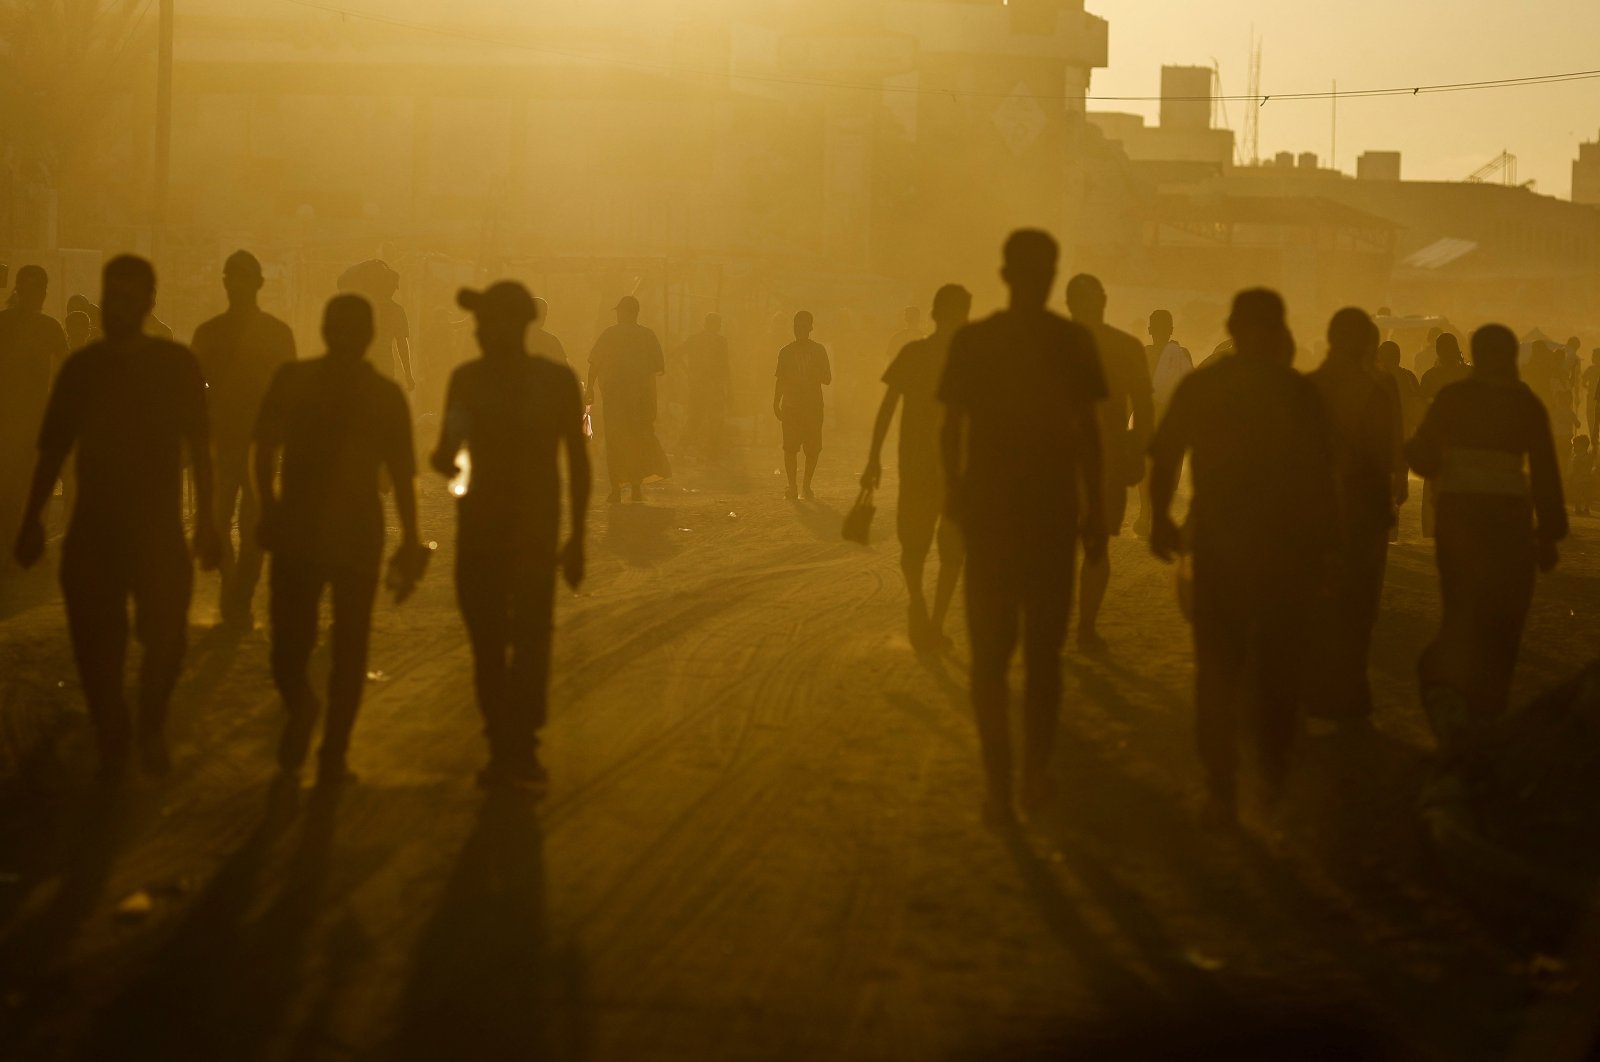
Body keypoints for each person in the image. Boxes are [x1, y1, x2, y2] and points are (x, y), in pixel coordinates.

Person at [13, 256, 220, 779]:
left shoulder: (176, 366)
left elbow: (200, 446)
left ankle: (148, 725)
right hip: (93, 532)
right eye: (112, 297)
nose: (118, 307)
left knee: (166, 638)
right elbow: (54, 450)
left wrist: (210, 522)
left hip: (157, 529)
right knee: (96, 644)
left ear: (148, 302)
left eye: (129, 298)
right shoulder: (83, 370)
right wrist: (32, 518)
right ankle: (113, 730)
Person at [1147, 289, 1337, 825]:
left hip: (1219, 545)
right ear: (1279, 334)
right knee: (1279, 667)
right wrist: (1328, 552)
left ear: (1232, 327)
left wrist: (1161, 517)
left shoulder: (1205, 386)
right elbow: (1323, 481)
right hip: (1285, 551)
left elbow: (1164, 454)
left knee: (1218, 667)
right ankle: (1270, 775)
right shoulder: (1297, 394)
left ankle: (1221, 783)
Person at [939, 231, 1107, 826]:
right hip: (1050, 515)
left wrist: (956, 495)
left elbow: (950, 430)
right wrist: (1094, 515)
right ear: (1052, 274)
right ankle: (1032, 772)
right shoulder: (1070, 341)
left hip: (992, 513)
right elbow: (1088, 434)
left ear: (1005, 272)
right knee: (1043, 656)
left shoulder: (976, 341)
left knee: (990, 656)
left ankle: (999, 786)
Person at [253, 294, 425, 786]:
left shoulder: (300, 381)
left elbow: (263, 451)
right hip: (334, 533)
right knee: (333, 647)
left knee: (300, 646)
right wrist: (410, 540)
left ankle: (325, 739)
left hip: (311, 532)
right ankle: (320, 731)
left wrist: (269, 508)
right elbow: (403, 475)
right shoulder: (375, 393)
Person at [431, 282, 590, 791]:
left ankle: (509, 744)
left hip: (491, 533)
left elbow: (446, 453)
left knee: (499, 642)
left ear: (512, 325)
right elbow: (579, 464)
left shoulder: (471, 382)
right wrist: (578, 535)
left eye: (485, 322)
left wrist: (580, 536)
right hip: (524, 533)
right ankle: (515, 744)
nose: (477, 330)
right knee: (519, 640)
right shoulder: (554, 382)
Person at [1406, 325, 1566, 750]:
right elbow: (1547, 474)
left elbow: (1420, 456)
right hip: (1510, 525)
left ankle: (1454, 699)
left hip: (1459, 520)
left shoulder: (1453, 399)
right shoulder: (1525, 403)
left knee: (1462, 609)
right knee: (1505, 616)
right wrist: (1550, 534)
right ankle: (1489, 709)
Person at [1305, 309, 1406, 726]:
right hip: (1360, 513)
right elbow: (1384, 458)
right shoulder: (1375, 393)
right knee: (1358, 606)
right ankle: (1348, 692)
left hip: (1310, 513)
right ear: (1366, 346)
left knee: (1313, 603)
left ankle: (1312, 692)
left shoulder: (1305, 389)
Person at [191, 251, 297, 630]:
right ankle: (233, 587)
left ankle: (240, 594)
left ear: (258, 284)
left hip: (262, 448)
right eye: (232, 277)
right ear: (224, 282)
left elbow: (291, 393)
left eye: (244, 277)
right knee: (217, 522)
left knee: (255, 526)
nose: (237, 284)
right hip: (221, 444)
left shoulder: (277, 334)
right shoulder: (208, 333)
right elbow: (192, 395)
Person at [862, 284, 971, 653]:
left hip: (921, 467)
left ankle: (920, 610)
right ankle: (931, 622)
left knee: (916, 547)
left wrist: (874, 458)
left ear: (933, 313)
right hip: (952, 471)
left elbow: (887, 408)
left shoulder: (915, 353)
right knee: (949, 551)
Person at [1066, 274, 1154, 654]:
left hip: (1059, 460)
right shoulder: (1126, 346)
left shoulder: (1048, 344)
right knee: (1096, 547)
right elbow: (1146, 408)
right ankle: (1085, 627)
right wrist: (1139, 449)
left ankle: (1063, 624)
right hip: (1106, 458)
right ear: (1104, 299)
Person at [0, 266, 67, 570]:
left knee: (23, 486)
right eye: (33, 291)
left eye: (40, 291)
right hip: (13, 419)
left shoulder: (47, 328)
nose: (37, 297)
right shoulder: (9, 325)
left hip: (32, 420)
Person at [587, 295, 669, 503]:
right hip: (640, 400)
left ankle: (616, 489)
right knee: (637, 441)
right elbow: (658, 367)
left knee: (615, 442)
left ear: (627, 312)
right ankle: (635, 488)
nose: (618, 316)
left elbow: (594, 364)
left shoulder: (610, 334)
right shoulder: (647, 335)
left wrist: (590, 388)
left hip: (615, 399)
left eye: (620, 312)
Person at [1134, 309, 1190, 536]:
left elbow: (1135, 390)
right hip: (1169, 419)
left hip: (1150, 417)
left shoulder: (1143, 354)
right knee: (1167, 467)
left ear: (1149, 330)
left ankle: (1146, 512)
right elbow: (1189, 386)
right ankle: (1155, 513)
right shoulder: (1181, 353)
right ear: (1171, 330)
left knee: (1148, 466)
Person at [1417, 333, 1472, 538]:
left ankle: (1434, 529)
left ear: (1438, 351)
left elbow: (1422, 409)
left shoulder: (1431, 376)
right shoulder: (1469, 373)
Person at [774, 311, 832, 501]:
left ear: (810, 328)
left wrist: (812, 374)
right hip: (792, 406)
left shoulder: (818, 351)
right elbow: (780, 380)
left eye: (802, 326)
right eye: (796, 326)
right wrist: (776, 402)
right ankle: (793, 485)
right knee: (790, 448)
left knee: (812, 448)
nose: (799, 330)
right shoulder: (785, 351)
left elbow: (827, 378)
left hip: (812, 406)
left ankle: (805, 485)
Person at [338, 259, 415, 392]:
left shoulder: (362, 306)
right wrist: (408, 374)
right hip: (384, 368)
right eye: (393, 287)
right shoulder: (396, 311)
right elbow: (402, 344)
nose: (394, 291)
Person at [680, 312, 732, 459]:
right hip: (714, 387)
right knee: (715, 421)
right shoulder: (721, 341)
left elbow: (675, 355)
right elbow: (725, 366)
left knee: (694, 419)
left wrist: (688, 373)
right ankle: (710, 454)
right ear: (717, 325)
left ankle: (682, 449)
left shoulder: (694, 339)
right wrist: (729, 389)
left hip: (698, 386)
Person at [527, 297, 569, 366]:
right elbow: (564, 369)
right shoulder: (550, 341)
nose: (544, 317)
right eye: (542, 313)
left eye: (545, 314)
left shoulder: (512, 340)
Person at [1567, 435, 1595, 516]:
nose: (1574, 448)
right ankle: (1578, 507)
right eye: (1574, 446)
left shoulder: (1584, 457)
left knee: (1586, 494)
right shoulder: (1577, 457)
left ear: (1583, 446)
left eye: (1576, 446)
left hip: (1583, 478)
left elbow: (1589, 467)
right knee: (1579, 493)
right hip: (1580, 479)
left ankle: (1585, 508)